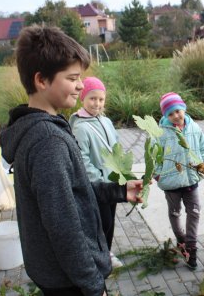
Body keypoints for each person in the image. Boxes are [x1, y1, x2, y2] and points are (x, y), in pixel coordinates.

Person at [0, 25, 142, 296]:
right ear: (42, 80)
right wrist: (92, 285)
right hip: (68, 281)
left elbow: (72, 191)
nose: (80, 85)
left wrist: (118, 191)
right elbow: (63, 225)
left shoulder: (40, 127)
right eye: (73, 78)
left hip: (56, 273)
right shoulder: (48, 142)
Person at [69, 77, 122, 269]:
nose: (97, 103)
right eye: (92, 99)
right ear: (83, 98)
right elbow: (82, 159)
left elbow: (116, 145)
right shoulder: (80, 127)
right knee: (102, 223)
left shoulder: (106, 121)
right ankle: (99, 256)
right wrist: (99, 178)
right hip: (98, 185)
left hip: (113, 181)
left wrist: (121, 167)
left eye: (101, 99)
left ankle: (106, 252)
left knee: (111, 221)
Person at [155, 92, 204, 270]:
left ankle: (191, 246)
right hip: (171, 183)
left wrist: (201, 164)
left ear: (183, 109)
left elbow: (202, 147)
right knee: (175, 212)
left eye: (178, 111)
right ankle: (181, 240)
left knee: (194, 212)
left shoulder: (194, 127)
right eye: (170, 114)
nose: (175, 116)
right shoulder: (161, 133)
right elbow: (155, 156)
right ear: (165, 116)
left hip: (191, 180)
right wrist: (158, 174)